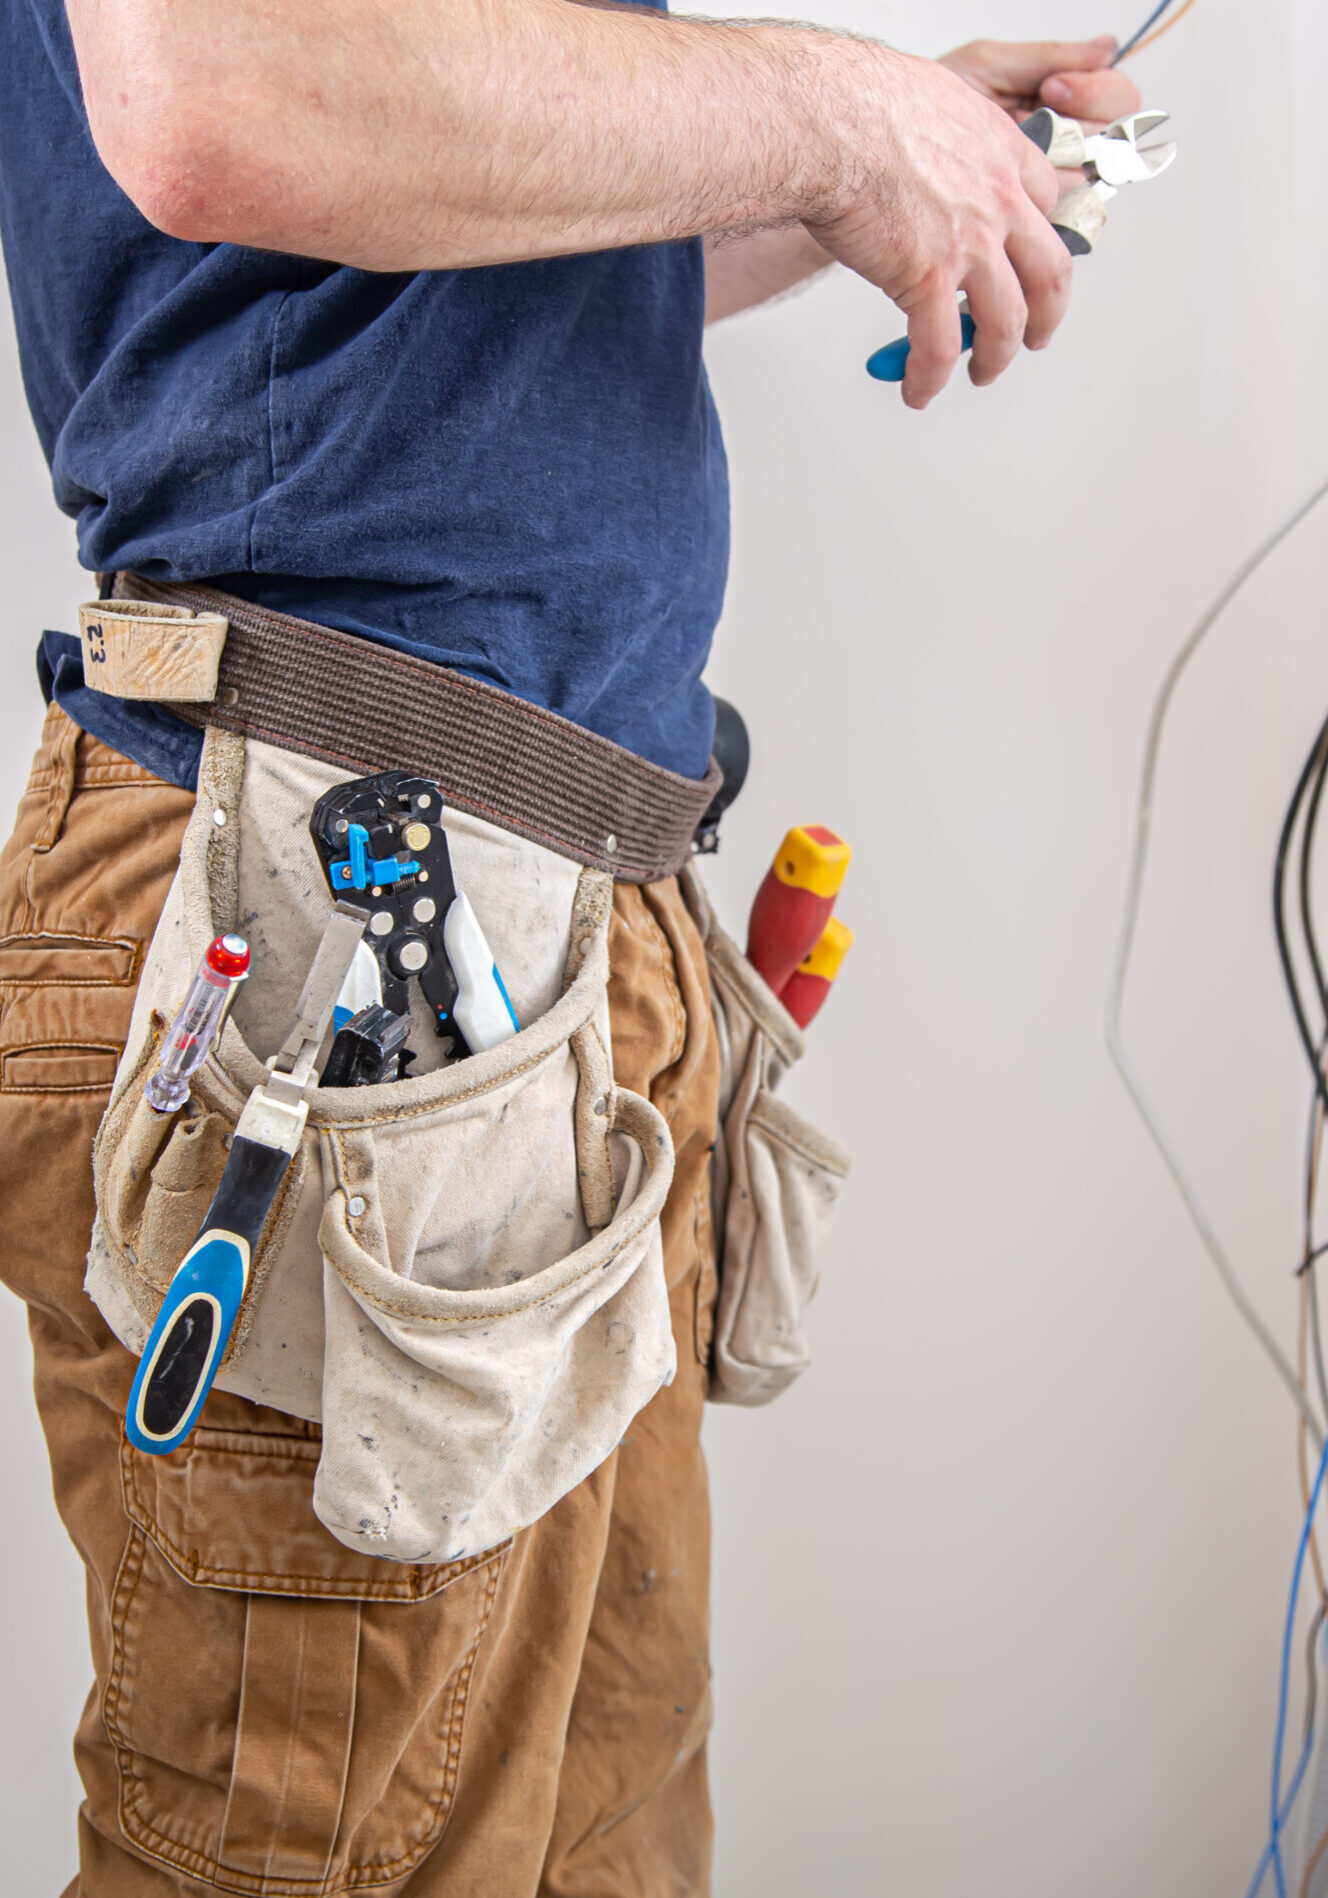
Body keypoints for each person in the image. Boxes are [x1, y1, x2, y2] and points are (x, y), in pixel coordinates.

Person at [0, 1, 1139, 1890]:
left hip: (561, 938)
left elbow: (473, 262)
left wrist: (892, 147)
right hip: (316, 919)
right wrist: (840, 119)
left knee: (592, 1849)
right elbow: (224, 98)